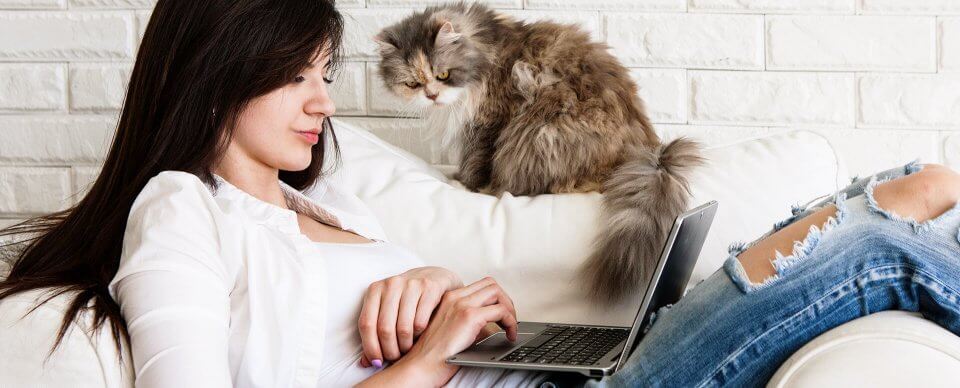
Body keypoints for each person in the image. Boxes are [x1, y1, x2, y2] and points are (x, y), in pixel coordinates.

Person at [0, 1, 958, 387]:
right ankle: (882, 209)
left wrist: (449, 300)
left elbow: (384, 314)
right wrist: (424, 364)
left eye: (325, 71)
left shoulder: (328, 203)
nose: (322, 102)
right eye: (296, 76)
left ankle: (873, 204)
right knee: (875, 252)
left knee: (858, 227)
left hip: (541, 376)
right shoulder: (179, 206)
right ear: (217, 72)